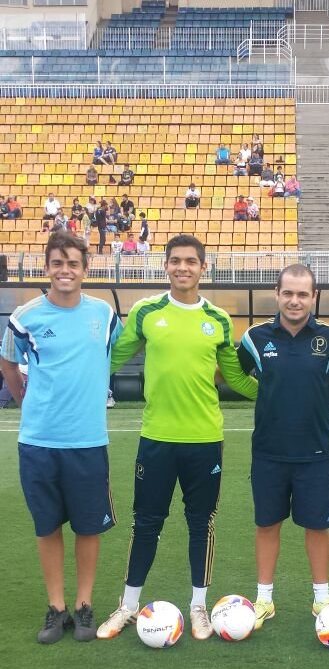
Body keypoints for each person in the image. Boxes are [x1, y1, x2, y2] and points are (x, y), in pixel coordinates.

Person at [97, 234, 258, 643]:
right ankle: (128, 605)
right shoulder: (147, 311)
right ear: (166, 266)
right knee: (146, 523)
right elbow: (111, 357)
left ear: (204, 267)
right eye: (175, 261)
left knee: (200, 523)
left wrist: (285, 390)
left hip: (205, 439)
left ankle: (199, 606)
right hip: (157, 438)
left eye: (191, 261)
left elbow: (235, 378)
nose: (183, 267)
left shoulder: (219, 320)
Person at [0, 231, 122, 643]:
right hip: (38, 442)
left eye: (73, 263)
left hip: (87, 441)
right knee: (47, 525)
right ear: (46, 268)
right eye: (57, 263)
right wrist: (24, 401)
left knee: (88, 527)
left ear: (85, 269)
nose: (65, 270)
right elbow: (9, 364)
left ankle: (85, 606)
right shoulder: (25, 317)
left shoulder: (104, 316)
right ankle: (56, 608)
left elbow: (116, 353)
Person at [237, 265, 329, 628]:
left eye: (302, 294)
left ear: (314, 297)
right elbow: (232, 374)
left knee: (318, 526)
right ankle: (264, 599)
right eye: (288, 293)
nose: (295, 301)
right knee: (267, 524)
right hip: (268, 452)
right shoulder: (254, 338)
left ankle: (322, 599)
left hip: (315, 454)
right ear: (277, 294)